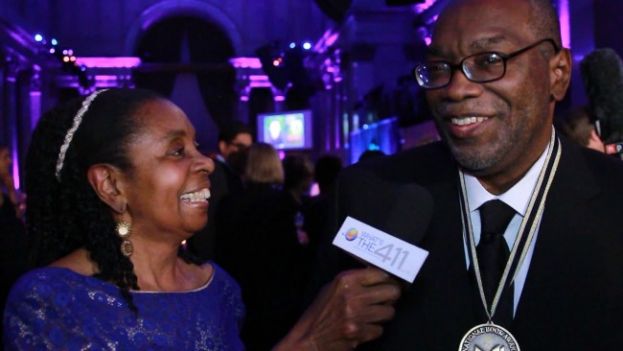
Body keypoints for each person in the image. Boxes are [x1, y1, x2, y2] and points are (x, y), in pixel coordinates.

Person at [314, 0, 623, 350]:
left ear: (558, 73)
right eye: (439, 67)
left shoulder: (616, 200)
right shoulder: (368, 196)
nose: (456, 89)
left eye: (490, 61)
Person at [3, 89, 401, 350]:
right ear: (110, 185)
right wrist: (307, 342)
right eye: (176, 151)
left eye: (197, 145)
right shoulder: (50, 304)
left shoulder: (217, 287)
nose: (206, 162)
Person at [187, 121, 252, 260]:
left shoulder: (232, 173)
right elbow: (206, 219)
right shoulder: (216, 173)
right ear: (223, 146)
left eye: (248, 149)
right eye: (240, 146)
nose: (245, 153)